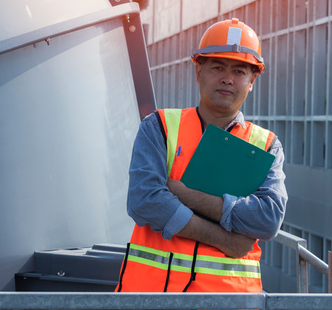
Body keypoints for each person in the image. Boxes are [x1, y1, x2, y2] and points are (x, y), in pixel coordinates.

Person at [116, 17, 287, 293]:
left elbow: (267, 220)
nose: (227, 78)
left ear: (252, 80)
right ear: (198, 71)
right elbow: (144, 201)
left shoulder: (265, 145)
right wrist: (226, 239)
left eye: (240, 71)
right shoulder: (159, 126)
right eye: (217, 67)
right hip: (153, 298)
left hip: (228, 302)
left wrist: (183, 194)